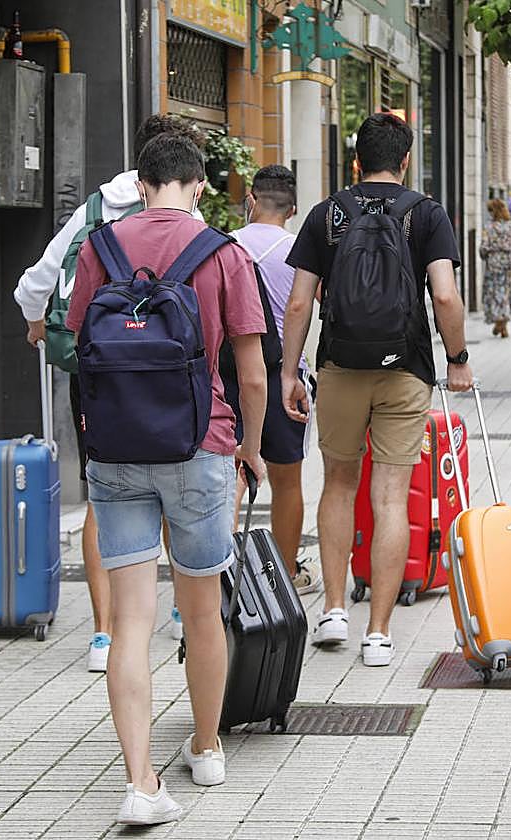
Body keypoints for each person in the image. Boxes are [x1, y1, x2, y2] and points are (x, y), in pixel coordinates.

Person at [67, 133, 268, 825]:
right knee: (203, 608)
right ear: (200, 185)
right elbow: (251, 370)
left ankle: (140, 780)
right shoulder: (223, 252)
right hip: (200, 445)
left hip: (116, 449)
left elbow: (75, 341)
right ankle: (207, 747)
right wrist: (250, 447)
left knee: (129, 621)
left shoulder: (101, 246)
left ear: (142, 184)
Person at [14, 115, 204, 673]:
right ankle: (176, 610)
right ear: (182, 172)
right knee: (174, 475)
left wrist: (35, 326)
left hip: (101, 376)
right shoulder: (188, 219)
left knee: (104, 489)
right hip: (172, 376)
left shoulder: (95, 211)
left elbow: (36, 282)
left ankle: (104, 634)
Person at [281, 113, 472, 668]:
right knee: (390, 497)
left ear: (356, 161)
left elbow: (298, 304)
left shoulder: (326, 215)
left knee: (339, 485)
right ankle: (380, 633)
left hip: (340, 366)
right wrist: (457, 359)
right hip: (405, 369)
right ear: (406, 160)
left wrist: (290, 373)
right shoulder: (427, 214)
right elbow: (446, 298)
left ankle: (335, 610)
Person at [227, 165, 321, 594]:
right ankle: (284, 578)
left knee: (228, 479)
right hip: (285, 378)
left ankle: (220, 577)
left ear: (251, 199)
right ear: (293, 208)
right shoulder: (302, 252)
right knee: (287, 482)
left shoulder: (225, 246)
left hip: (230, 378)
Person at [479, 198, 511, 338]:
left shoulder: (489, 227)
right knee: (508, 294)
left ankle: (500, 322)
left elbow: (484, 248)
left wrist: (486, 254)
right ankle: (503, 323)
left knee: (497, 294)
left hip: (495, 265)